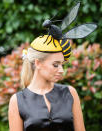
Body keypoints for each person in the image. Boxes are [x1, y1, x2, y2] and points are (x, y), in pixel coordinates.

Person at [8, 2, 97, 131]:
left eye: (62, 64)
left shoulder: (70, 93)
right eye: (55, 65)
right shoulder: (17, 101)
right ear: (38, 63)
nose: (61, 70)